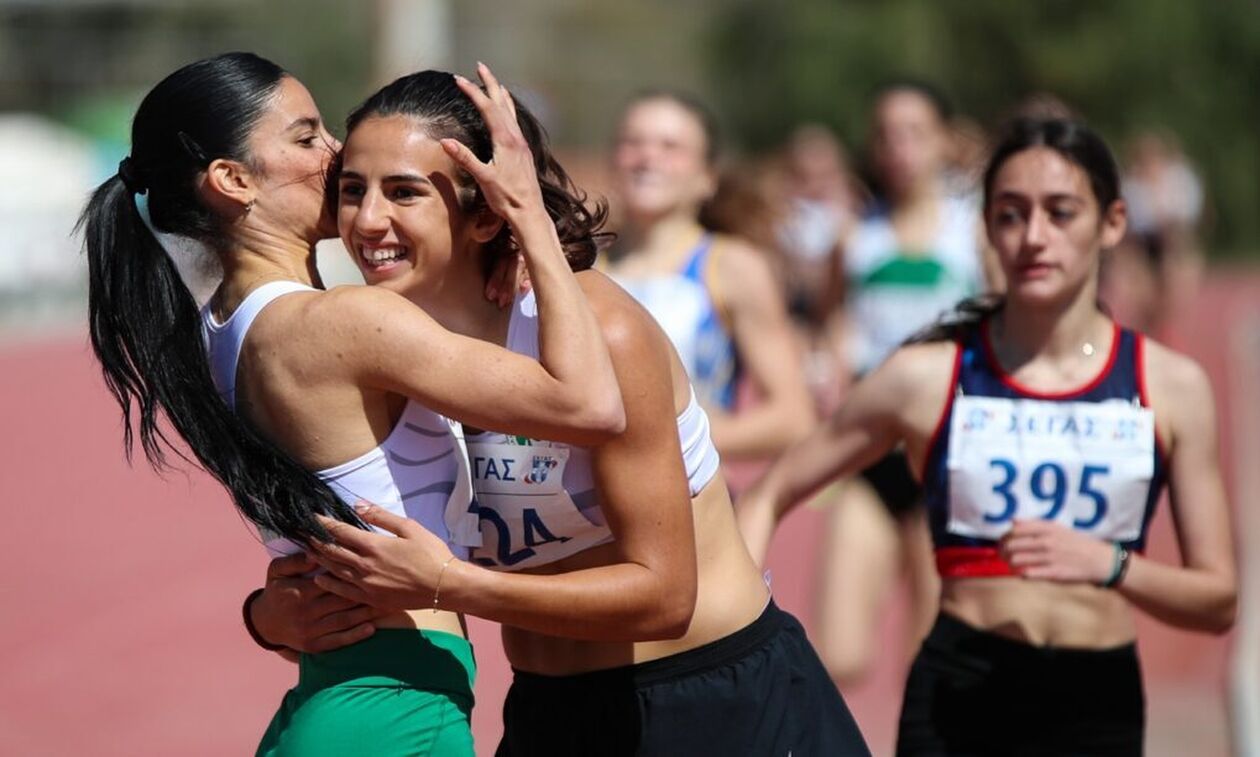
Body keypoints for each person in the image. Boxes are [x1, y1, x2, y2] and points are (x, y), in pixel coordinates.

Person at [267, 69, 868, 756]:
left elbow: (666, 597)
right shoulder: (377, 353)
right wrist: (272, 616)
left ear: (489, 212)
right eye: (353, 190)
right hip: (548, 713)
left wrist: (448, 582)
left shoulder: (600, 330)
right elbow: (357, 567)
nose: (367, 221)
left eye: (403, 191)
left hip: (716, 699)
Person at [81, 54, 626, 756]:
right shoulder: (341, 323)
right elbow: (588, 406)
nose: (338, 152)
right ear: (233, 180)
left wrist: (264, 619)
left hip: (334, 698)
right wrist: (527, 218)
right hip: (392, 711)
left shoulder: (218, 329)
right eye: (307, 138)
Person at [738, 117, 1237, 755]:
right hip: (960, 697)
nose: (1035, 237)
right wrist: (741, 632)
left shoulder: (1169, 386)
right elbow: (771, 490)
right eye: (1010, 214)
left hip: (1095, 698)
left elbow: (1218, 599)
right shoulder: (929, 375)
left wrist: (1109, 564)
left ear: (1113, 223)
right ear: (985, 229)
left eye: (1061, 213)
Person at [810, 80, 992, 684]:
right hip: (871, 452)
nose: (899, 147)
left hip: (948, 461)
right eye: (886, 134)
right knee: (838, 654)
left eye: (915, 132)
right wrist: (832, 367)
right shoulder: (854, 237)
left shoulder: (974, 234)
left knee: (930, 664)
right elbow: (834, 319)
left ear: (945, 141)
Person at [600, 91, 815, 463]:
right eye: (633, 143)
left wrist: (658, 439)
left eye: (671, 146)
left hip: (689, 504)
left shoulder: (731, 266)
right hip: (581, 510)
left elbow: (793, 418)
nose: (648, 157)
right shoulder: (579, 264)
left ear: (707, 177)